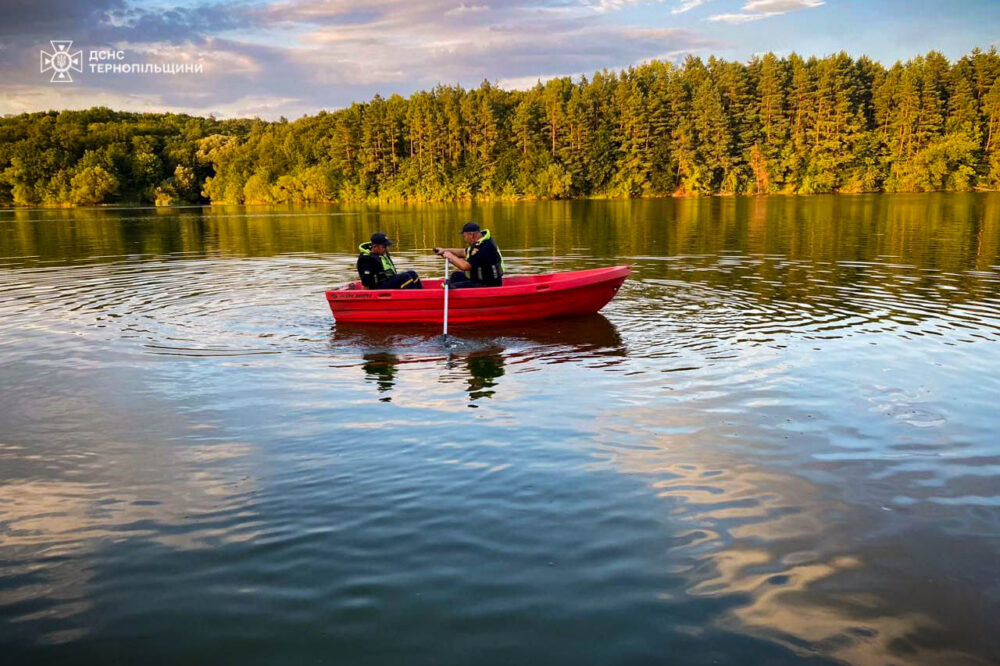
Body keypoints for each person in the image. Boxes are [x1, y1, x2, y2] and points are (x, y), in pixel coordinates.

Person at [434, 222, 505, 289]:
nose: (465, 239)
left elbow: (465, 266)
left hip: (488, 284)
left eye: (465, 236)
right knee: (455, 276)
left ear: (471, 235)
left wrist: (450, 256)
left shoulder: (483, 247)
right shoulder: (479, 242)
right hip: (479, 279)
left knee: (450, 286)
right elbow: (463, 252)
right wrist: (445, 250)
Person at [357, 232, 422, 289]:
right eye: (384, 247)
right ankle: (415, 299)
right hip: (377, 287)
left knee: (412, 273)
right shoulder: (367, 260)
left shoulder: (381, 254)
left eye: (387, 246)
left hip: (386, 281)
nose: (386, 248)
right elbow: (366, 284)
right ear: (375, 247)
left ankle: (421, 294)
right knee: (405, 277)